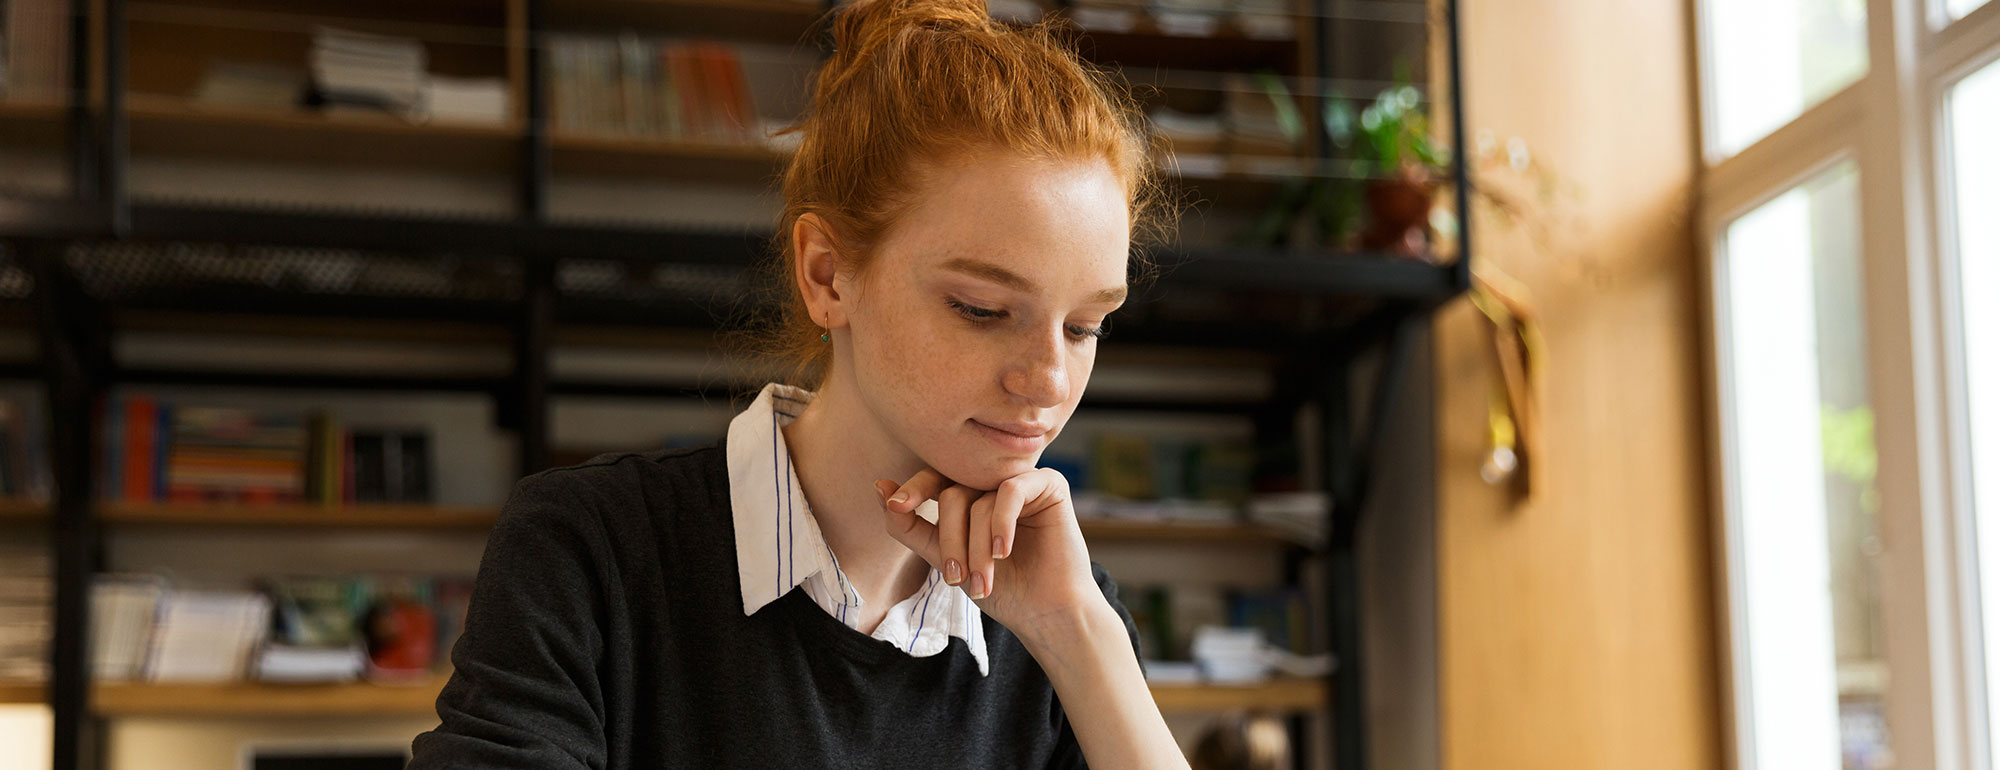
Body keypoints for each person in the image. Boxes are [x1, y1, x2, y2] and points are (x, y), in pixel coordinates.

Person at [406, 0, 1184, 765]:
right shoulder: (591, 550)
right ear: (828, 275)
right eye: (982, 309)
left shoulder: (1069, 615)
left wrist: (1078, 637)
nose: (1049, 378)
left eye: (1085, 327)